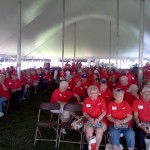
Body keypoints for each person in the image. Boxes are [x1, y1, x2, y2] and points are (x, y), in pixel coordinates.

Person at [82, 85, 107, 150]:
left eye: (96, 92)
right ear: (89, 94)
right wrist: (90, 119)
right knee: (89, 129)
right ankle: (92, 147)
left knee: (99, 130)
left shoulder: (101, 99)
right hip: (89, 120)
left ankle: (96, 148)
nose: (95, 94)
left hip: (101, 120)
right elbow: (84, 113)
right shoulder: (86, 100)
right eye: (93, 93)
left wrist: (98, 119)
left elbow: (104, 112)